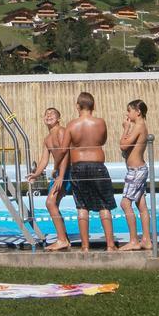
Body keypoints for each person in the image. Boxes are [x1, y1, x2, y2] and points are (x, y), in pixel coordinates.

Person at [53, 92, 117, 252]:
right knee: (104, 205)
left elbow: (63, 150)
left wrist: (55, 165)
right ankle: (110, 245)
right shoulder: (100, 123)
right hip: (97, 165)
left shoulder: (71, 125)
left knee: (82, 206)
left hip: (78, 167)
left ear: (77, 106)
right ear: (93, 106)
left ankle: (85, 246)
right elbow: (102, 141)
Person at [27, 107, 72, 251]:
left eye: (52, 113)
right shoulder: (47, 139)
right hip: (60, 173)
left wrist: (61, 175)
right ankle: (64, 238)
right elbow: (44, 160)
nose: (49, 115)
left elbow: (66, 154)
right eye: (46, 114)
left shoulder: (61, 131)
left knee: (50, 202)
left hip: (67, 172)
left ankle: (62, 240)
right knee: (54, 204)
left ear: (58, 118)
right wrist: (36, 174)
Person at [118, 99, 152, 251]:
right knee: (141, 205)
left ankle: (133, 240)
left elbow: (123, 145)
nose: (127, 113)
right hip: (138, 169)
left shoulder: (138, 126)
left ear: (137, 112)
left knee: (125, 204)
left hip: (136, 171)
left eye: (129, 110)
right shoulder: (140, 127)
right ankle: (146, 240)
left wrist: (125, 128)